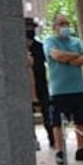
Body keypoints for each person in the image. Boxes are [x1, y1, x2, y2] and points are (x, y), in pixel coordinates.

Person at [44, 13, 83, 165]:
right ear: (54, 27)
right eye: (61, 23)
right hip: (58, 90)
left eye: (66, 23)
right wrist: (75, 57)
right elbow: (55, 55)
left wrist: (66, 59)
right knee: (57, 122)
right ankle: (60, 151)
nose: (65, 26)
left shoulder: (76, 41)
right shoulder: (49, 41)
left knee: (81, 119)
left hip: (78, 88)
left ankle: (81, 149)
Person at [25, 17, 54, 149]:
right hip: (25, 87)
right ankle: (32, 140)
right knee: (27, 116)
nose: (30, 30)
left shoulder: (39, 46)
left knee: (47, 113)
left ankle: (52, 139)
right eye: (27, 28)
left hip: (41, 85)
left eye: (32, 28)